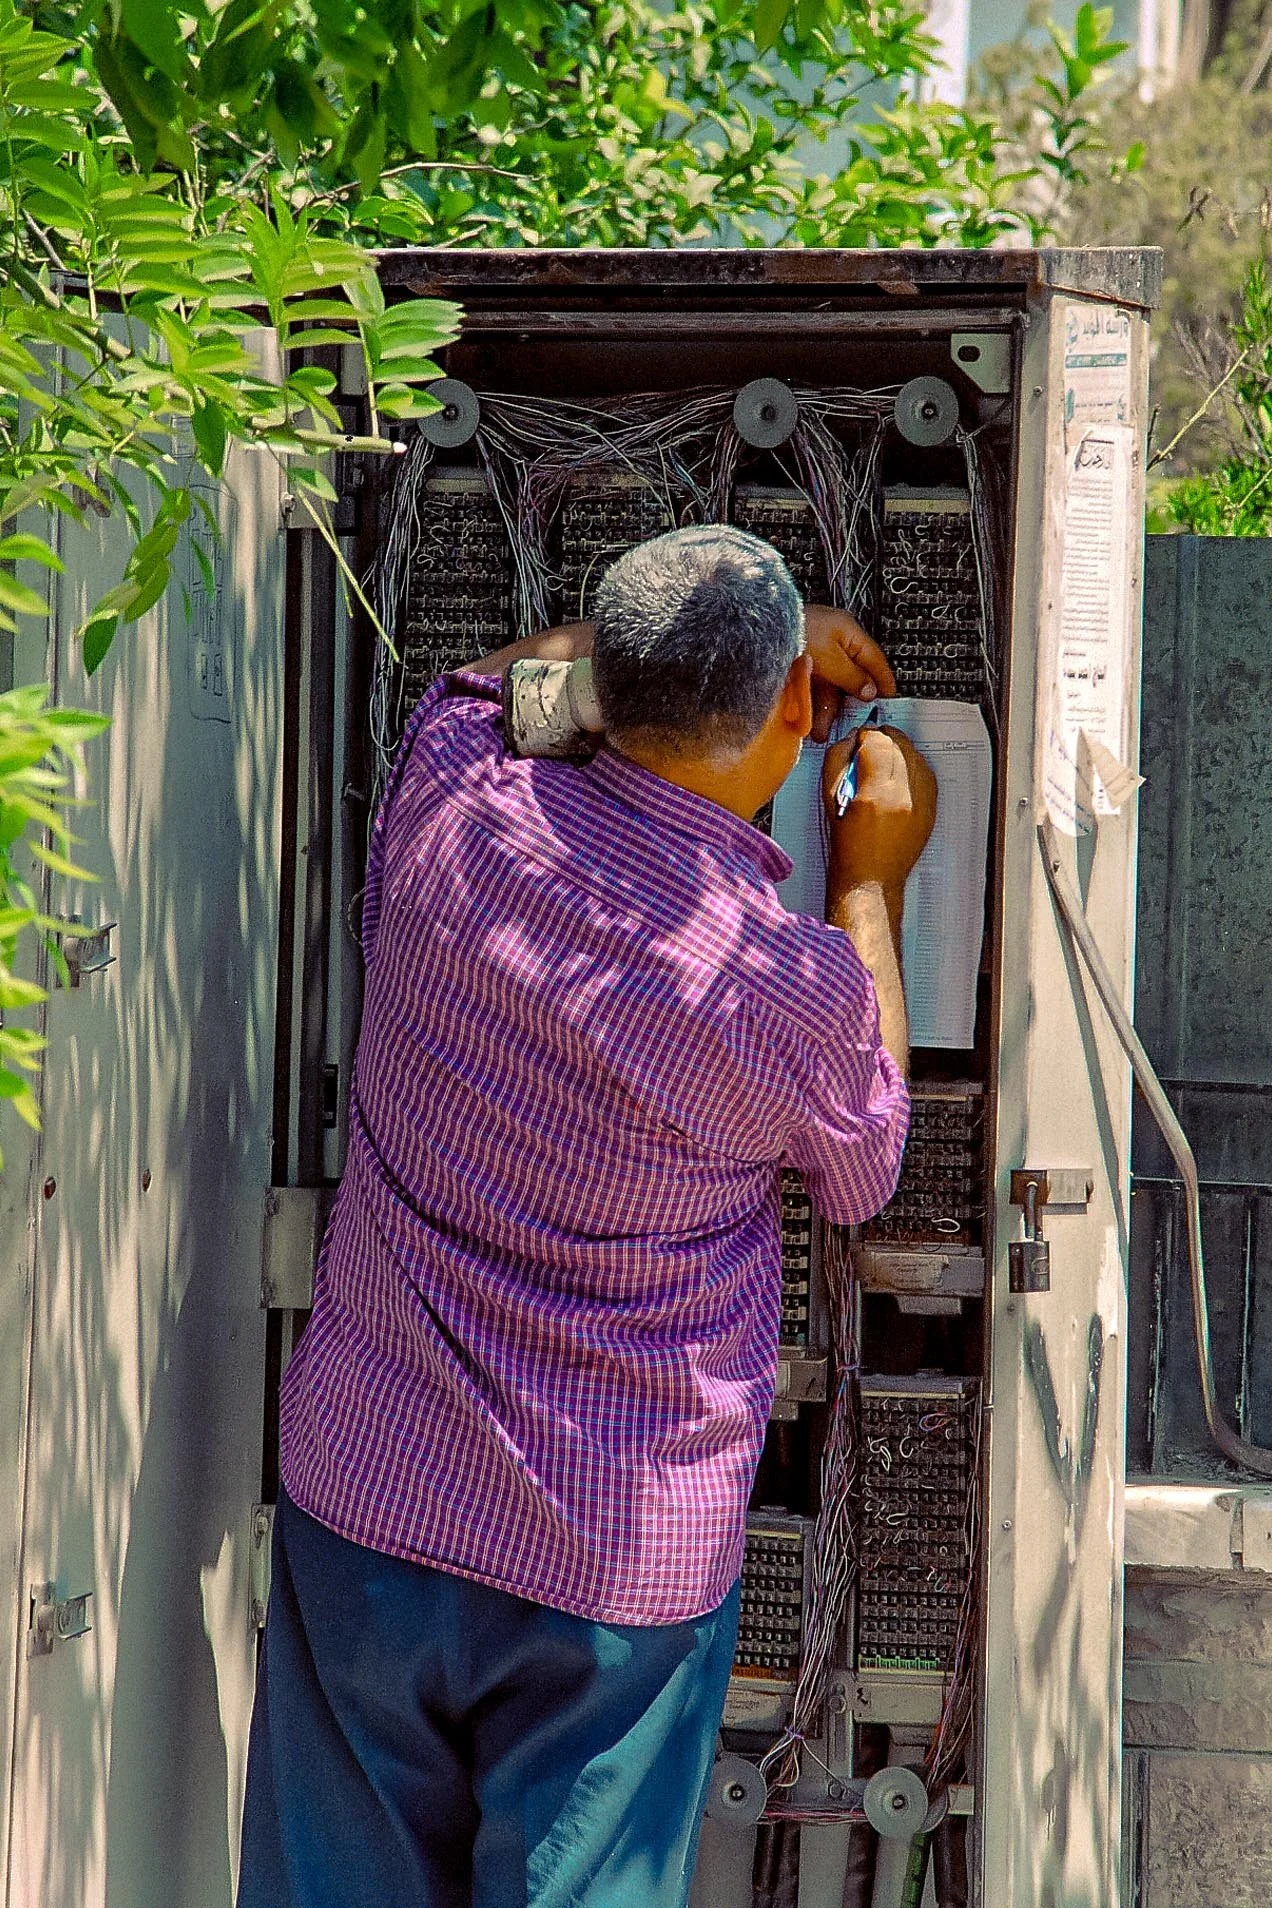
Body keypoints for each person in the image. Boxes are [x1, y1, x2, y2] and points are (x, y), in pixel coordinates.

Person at [237, 525, 938, 1908]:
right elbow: (867, 1169)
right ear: (797, 712)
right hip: (608, 1565)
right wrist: (868, 883)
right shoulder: (784, 990)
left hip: (370, 1497)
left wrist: (679, 656)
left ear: (610, 681)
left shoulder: (453, 799)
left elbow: (489, 685)